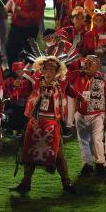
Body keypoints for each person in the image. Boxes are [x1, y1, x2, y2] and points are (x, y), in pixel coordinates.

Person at [10, 56, 75, 195]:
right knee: (29, 154)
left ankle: (66, 183)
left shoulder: (62, 84)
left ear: (58, 71)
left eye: (52, 68)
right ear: (41, 70)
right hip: (35, 123)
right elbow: (20, 92)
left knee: (58, 155)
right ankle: (26, 183)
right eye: (46, 68)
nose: (48, 71)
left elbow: (75, 93)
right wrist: (16, 87)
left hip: (52, 123)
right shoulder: (35, 83)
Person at [67, 55, 106, 176]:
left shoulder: (105, 79)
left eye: (90, 64)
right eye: (85, 63)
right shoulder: (77, 75)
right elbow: (65, 78)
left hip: (97, 114)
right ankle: (87, 164)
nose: (86, 66)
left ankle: (100, 163)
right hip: (80, 114)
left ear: (97, 65)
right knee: (83, 141)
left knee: (96, 140)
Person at [6, 0, 46, 67]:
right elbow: (17, 6)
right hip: (16, 26)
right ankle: (13, 73)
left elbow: (37, 16)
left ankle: (29, 75)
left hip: (28, 29)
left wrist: (22, 13)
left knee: (29, 54)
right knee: (11, 50)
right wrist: (10, 10)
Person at [3, 61, 32, 135]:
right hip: (13, 101)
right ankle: (12, 128)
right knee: (13, 109)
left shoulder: (27, 80)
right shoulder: (9, 80)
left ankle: (20, 129)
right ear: (14, 71)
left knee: (21, 109)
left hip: (25, 102)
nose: (20, 72)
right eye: (18, 70)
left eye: (22, 70)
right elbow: (5, 91)